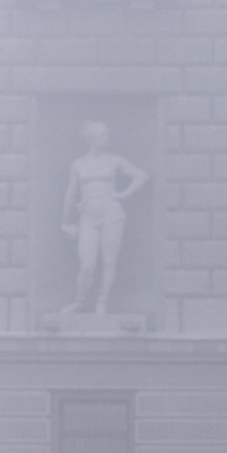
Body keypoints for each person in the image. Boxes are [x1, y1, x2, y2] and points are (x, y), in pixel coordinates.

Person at [60, 120, 149, 314]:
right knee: (87, 265)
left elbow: (141, 175)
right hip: (88, 218)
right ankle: (80, 302)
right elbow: (70, 193)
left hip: (112, 215)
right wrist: (66, 222)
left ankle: (102, 302)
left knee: (109, 261)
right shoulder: (78, 164)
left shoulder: (114, 160)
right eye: (102, 135)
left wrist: (123, 194)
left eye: (107, 135)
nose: (106, 138)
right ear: (91, 138)